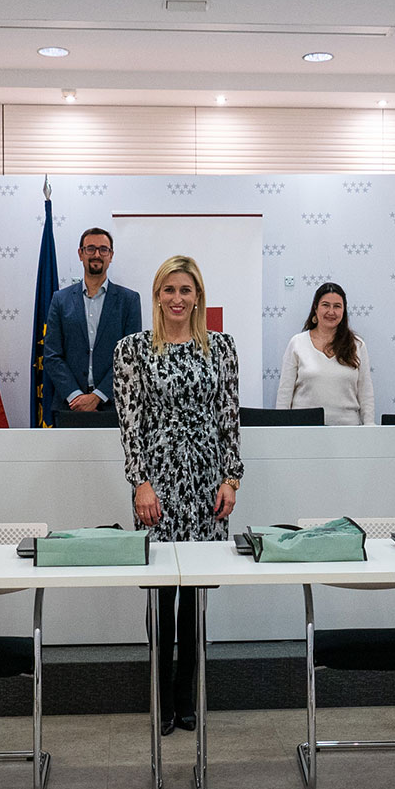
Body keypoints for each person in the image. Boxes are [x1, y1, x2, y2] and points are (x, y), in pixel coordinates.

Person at [113, 255, 243, 735]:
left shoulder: (221, 348)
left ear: (198, 297)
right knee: (161, 594)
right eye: (168, 290)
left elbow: (229, 417)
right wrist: (139, 482)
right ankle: (162, 698)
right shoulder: (133, 349)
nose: (177, 299)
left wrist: (232, 479)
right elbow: (129, 423)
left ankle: (187, 698)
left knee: (195, 596)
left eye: (185, 290)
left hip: (208, 478)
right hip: (159, 480)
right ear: (156, 296)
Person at [42, 228, 143, 423]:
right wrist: (75, 396)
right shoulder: (60, 299)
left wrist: (97, 396)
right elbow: (52, 355)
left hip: (114, 405)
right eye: (91, 249)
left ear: (111, 256)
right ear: (80, 254)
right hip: (68, 406)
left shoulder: (129, 301)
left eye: (103, 249)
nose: (97, 254)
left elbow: (131, 357)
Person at [275, 281, 375, 425]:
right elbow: (285, 393)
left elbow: (366, 393)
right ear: (315, 308)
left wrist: (369, 426)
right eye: (325, 305)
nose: (331, 312)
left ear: (344, 310)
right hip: (304, 430)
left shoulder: (357, 345)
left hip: (348, 431)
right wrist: (281, 427)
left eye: (337, 306)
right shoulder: (297, 343)